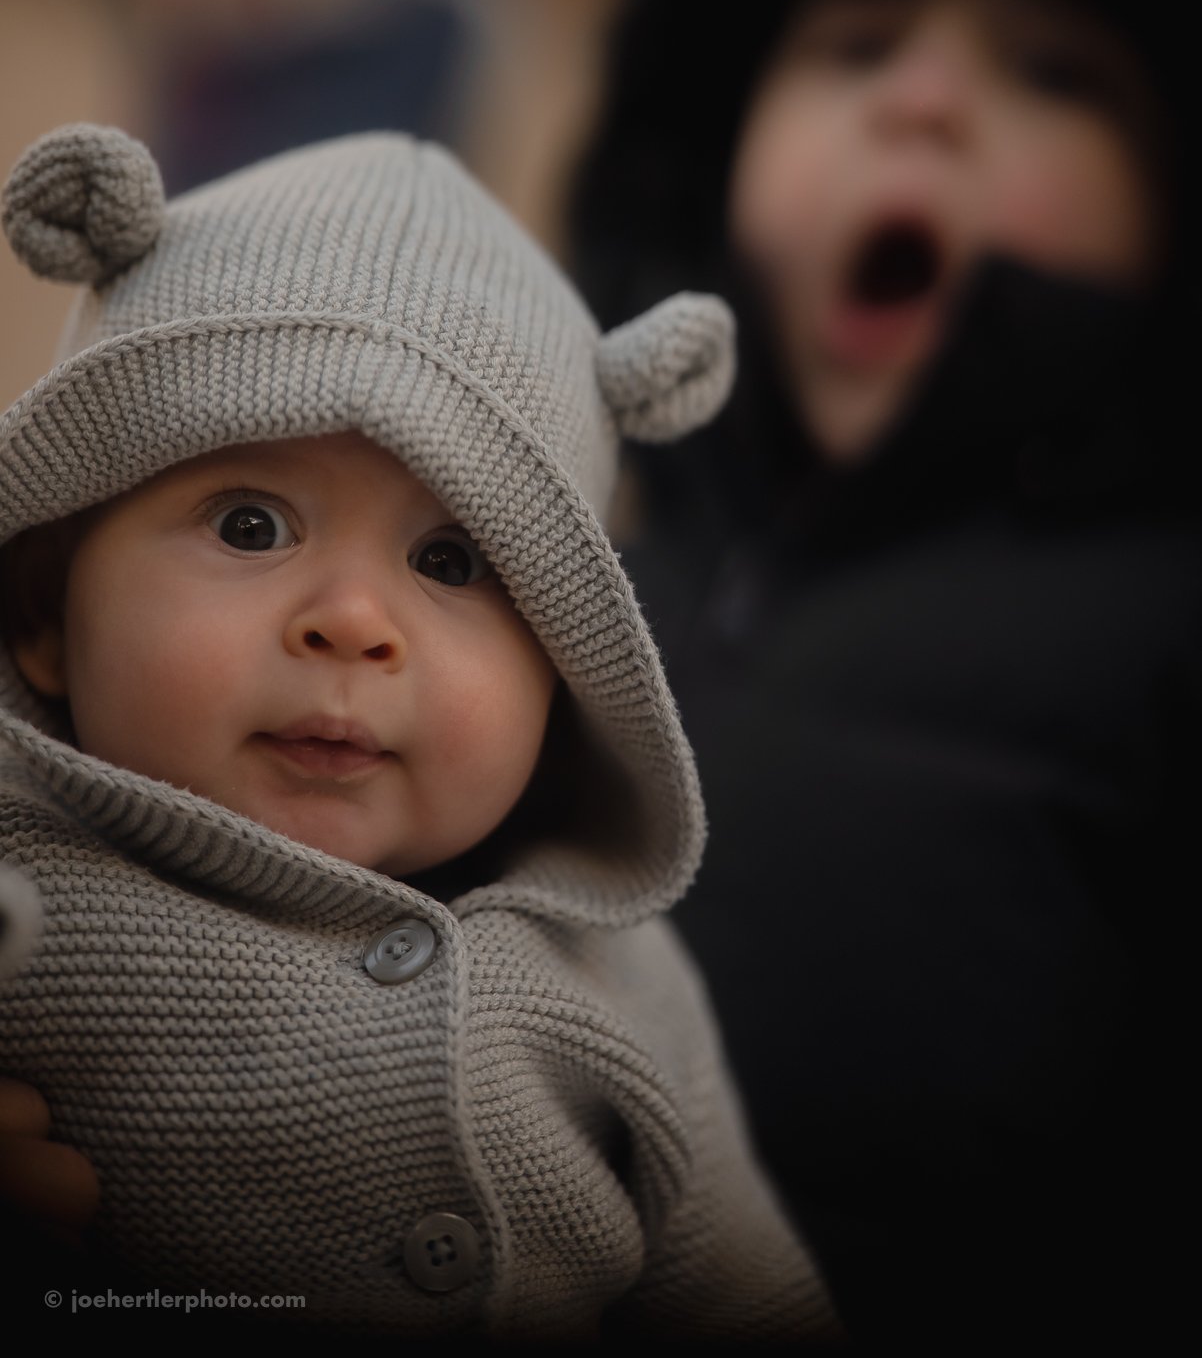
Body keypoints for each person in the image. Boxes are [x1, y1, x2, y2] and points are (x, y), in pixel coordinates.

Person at [570, 0, 1202, 1351]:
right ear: (713, 153)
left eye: (1055, 73)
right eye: (853, 47)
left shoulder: (1155, 620)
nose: (922, 101)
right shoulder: (574, 573)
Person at [0, 122, 840, 1341]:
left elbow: (752, 1297)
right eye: (248, 525)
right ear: (42, 615)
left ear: (566, 667)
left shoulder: (613, 969)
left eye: (451, 559)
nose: (352, 623)